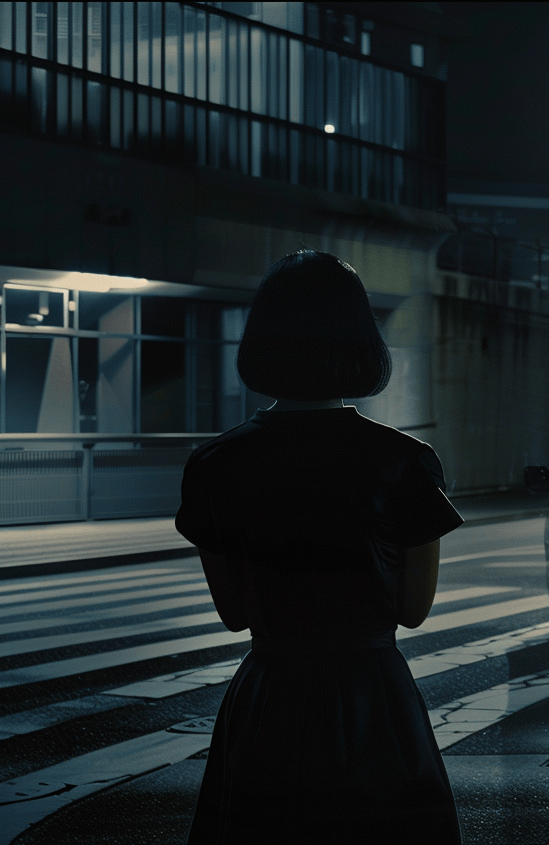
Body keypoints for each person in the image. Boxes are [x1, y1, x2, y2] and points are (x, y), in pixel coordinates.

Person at [175, 250, 464, 844]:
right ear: (360, 341)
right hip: (372, 697)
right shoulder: (404, 460)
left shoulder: (216, 464)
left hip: (270, 697)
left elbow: (233, 615)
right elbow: (413, 610)